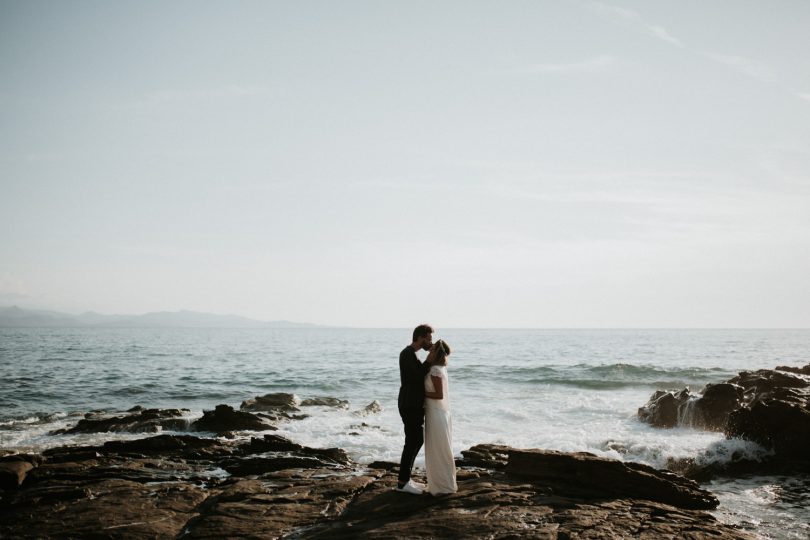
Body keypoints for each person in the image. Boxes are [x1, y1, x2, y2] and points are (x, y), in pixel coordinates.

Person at [396, 324, 434, 494]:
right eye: (428, 338)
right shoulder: (407, 354)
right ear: (420, 337)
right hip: (409, 404)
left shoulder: (412, 355)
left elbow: (418, 375)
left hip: (412, 404)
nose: (430, 342)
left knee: (415, 440)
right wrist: (429, 361)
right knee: (413, 441)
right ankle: (403, 483)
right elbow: (417, 377)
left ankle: (405, 480)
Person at [423, 339, 457, 495]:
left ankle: (442, 486)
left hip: (436, 414)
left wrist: (419, 393)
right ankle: (441, 484)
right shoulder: (439, 368)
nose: (429, 351)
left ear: (435, 353)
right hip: (436, 413)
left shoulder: (436, 370)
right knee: (438, 449)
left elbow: (438, 394)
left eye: (431, 350)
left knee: (438, 450)